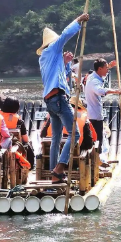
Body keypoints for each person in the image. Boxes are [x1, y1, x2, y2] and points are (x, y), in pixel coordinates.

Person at [36, 13, 89, 183]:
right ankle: (59, 168)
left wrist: (66, 63)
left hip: (51, 101)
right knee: (75, 134)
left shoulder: (45, 58)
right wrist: (78, 21)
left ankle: (54, 174)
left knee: (56, 138)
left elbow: (60, 76)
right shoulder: (53, 48)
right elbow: (66, 34)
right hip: (58, 99)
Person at [84, 58, 121, 163]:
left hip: (92, 113)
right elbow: (99, 91)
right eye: (106, 68)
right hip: (95, 115)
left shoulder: (92, 76)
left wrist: (109, 66)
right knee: (98, 139)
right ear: (100, 69)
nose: (107, 70)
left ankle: (97, 160)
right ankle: (98, 162)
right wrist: (115, 91)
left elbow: (100, 73)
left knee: (97, 138)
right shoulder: (94, 81)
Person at [0, 94, 35, 168]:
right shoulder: (19, 121)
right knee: (29, 144)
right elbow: (25, 139)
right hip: (15, 149)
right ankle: (30, 166)